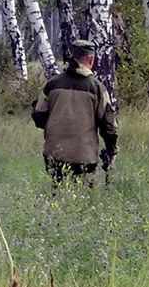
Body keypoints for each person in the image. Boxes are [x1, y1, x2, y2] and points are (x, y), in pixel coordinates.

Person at [32, 40, 119, 185]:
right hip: (84, 157)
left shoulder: (52, 85)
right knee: (81, 201)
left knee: (57, 197)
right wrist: (112, 152)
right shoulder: (98, 89)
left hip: (54, 155)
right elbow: (109, 127)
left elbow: (39, 117)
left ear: (72, 55)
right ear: (91, 59)